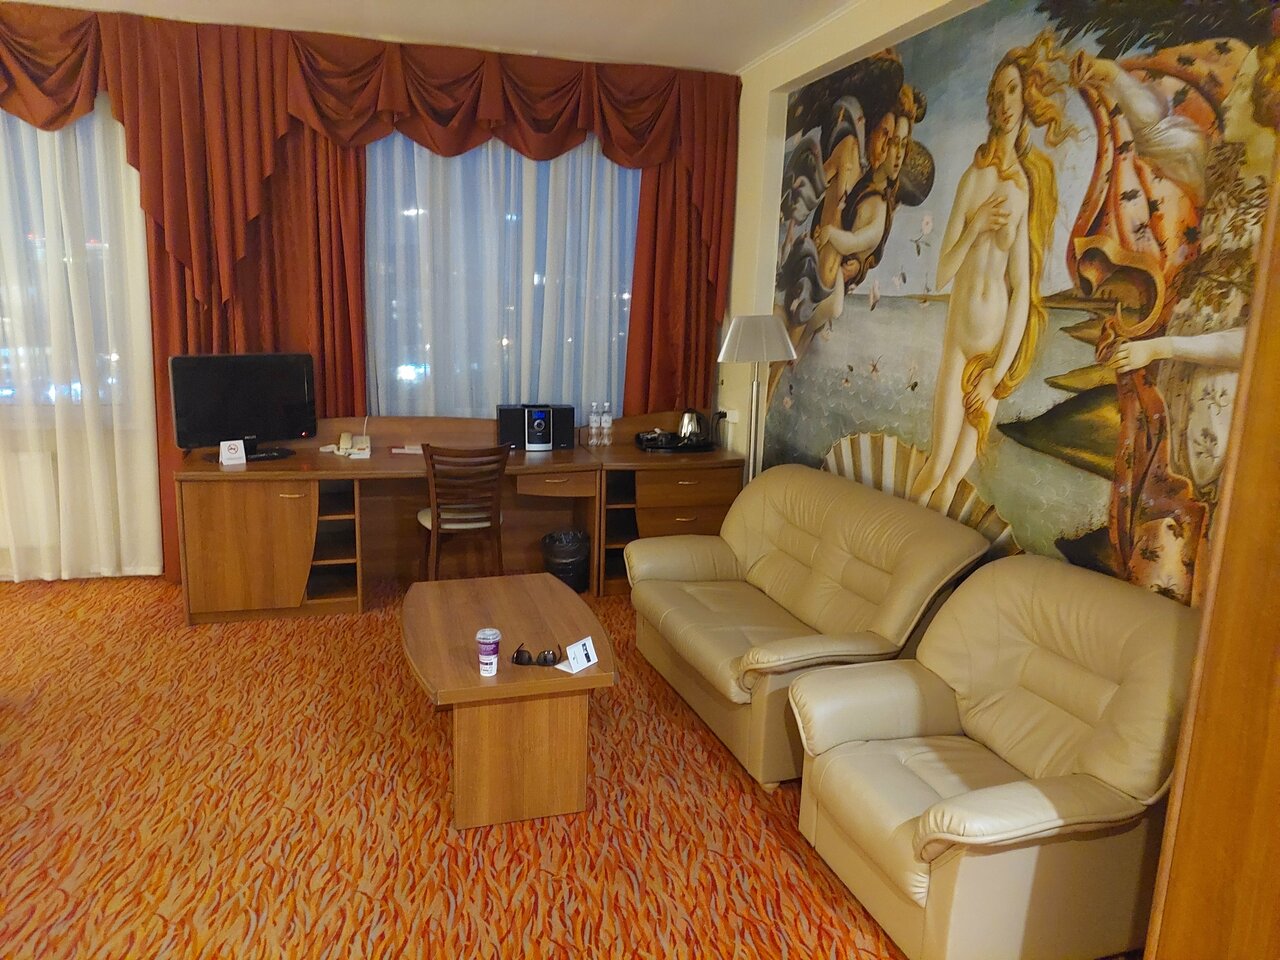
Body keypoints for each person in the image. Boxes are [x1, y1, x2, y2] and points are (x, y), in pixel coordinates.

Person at [1088, 42, 1276, 603]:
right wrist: (1111, 77)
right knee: (1167, 516)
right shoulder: (1223, 166)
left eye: (1243, 86)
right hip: (1179, 381)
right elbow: (1157, 132)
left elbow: (1260, 341)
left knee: (1210, 533)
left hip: (1226, 392)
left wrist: (1163, 347)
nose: (1228, 97)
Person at [910, 31, 1071, 509]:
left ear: (1025, 98)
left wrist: (996, 375)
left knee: (955, 478)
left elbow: (1022, 290)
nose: (1005, 103)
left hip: (994, 351)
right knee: (935, 466)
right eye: (997, 94)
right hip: (960, 343)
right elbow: (942, 273)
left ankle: (924, 555)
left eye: (1013, 91)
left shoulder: (1025, 187)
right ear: (990, 104)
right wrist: (976, 225)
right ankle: (890, 541)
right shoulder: (973, 179)